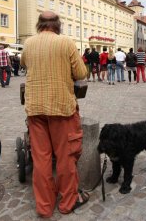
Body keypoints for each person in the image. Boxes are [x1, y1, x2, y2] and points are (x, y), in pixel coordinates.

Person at [20, 11, 89, 218]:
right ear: (57, 25)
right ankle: (68, 203)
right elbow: (81, 74)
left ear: (39, 25)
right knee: (66, 157)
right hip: (61, 108)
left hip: (36, 109)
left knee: (40, 159)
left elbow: (23, 64)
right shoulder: (66, 43)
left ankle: (44, 207)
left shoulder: (29, 43)